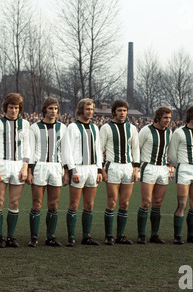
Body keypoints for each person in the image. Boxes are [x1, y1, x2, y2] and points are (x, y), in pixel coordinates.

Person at [0, 93, 30, 248]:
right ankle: (0, 237)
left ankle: (11, 237)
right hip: (2, 164)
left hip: (18, 165)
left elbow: (27, 146)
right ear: (5, 108)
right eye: (11, 107)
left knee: (14, 202)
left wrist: (25, 166)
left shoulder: (25, 124)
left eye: (16, 108)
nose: (14, 110)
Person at [26, 97, 68, 247]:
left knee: (53, 205)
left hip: (56, 167)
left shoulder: (63, 128)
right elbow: (30, 150)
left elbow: (65, 151)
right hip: (40, 167)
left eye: (56, 108)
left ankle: (51, 236)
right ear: (45, 110)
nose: (53, 111)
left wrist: (66, 171)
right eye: (50, 108)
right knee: (37, 203)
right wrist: (29, 171)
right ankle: (34, 237)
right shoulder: (35, 127)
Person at [62, 98, 103, 246]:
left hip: (92, 169)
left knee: (89, 204)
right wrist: (73, 170)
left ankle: (87, 236)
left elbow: (98, 149)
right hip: (78, 168)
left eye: (92, 109)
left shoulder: (95, 128)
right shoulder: (72, 127)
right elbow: (67, 150)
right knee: (74, 204)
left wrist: (99, 169)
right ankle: (71, 236)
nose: (90, 112)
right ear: (80, 110)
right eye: (87, 109)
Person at [99, 99, 140, 245]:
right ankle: (108, 235)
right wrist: (101, 169)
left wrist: (136, 169)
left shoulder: (132, 128)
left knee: (124, 203)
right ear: (114, 112)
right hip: (113, 167)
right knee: (112, 202)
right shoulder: (106, 128)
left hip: (128, 167)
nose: (122, 113)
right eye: (119, 110)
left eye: (124, 110)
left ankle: (120, 235)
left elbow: (135, 149)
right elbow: (100, 149)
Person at [168, 105, 193, 244]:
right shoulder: (179, 133)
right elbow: (172, 154)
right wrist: (180, 165)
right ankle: (177, 236)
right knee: (182, 203)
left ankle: (191, 235)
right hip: (184, 169)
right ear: (190, 116)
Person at [136, 106, 173, 244]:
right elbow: (136, 148)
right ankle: (141, 235)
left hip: (163, 169)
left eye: (169, 118)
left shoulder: (169, 132)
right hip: (148, 167)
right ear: (158, 117)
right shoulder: (146, 130)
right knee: (146, 202)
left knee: (157, 203)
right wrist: (136, 166)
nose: (167, 120)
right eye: (165, 117)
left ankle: (154, 235)